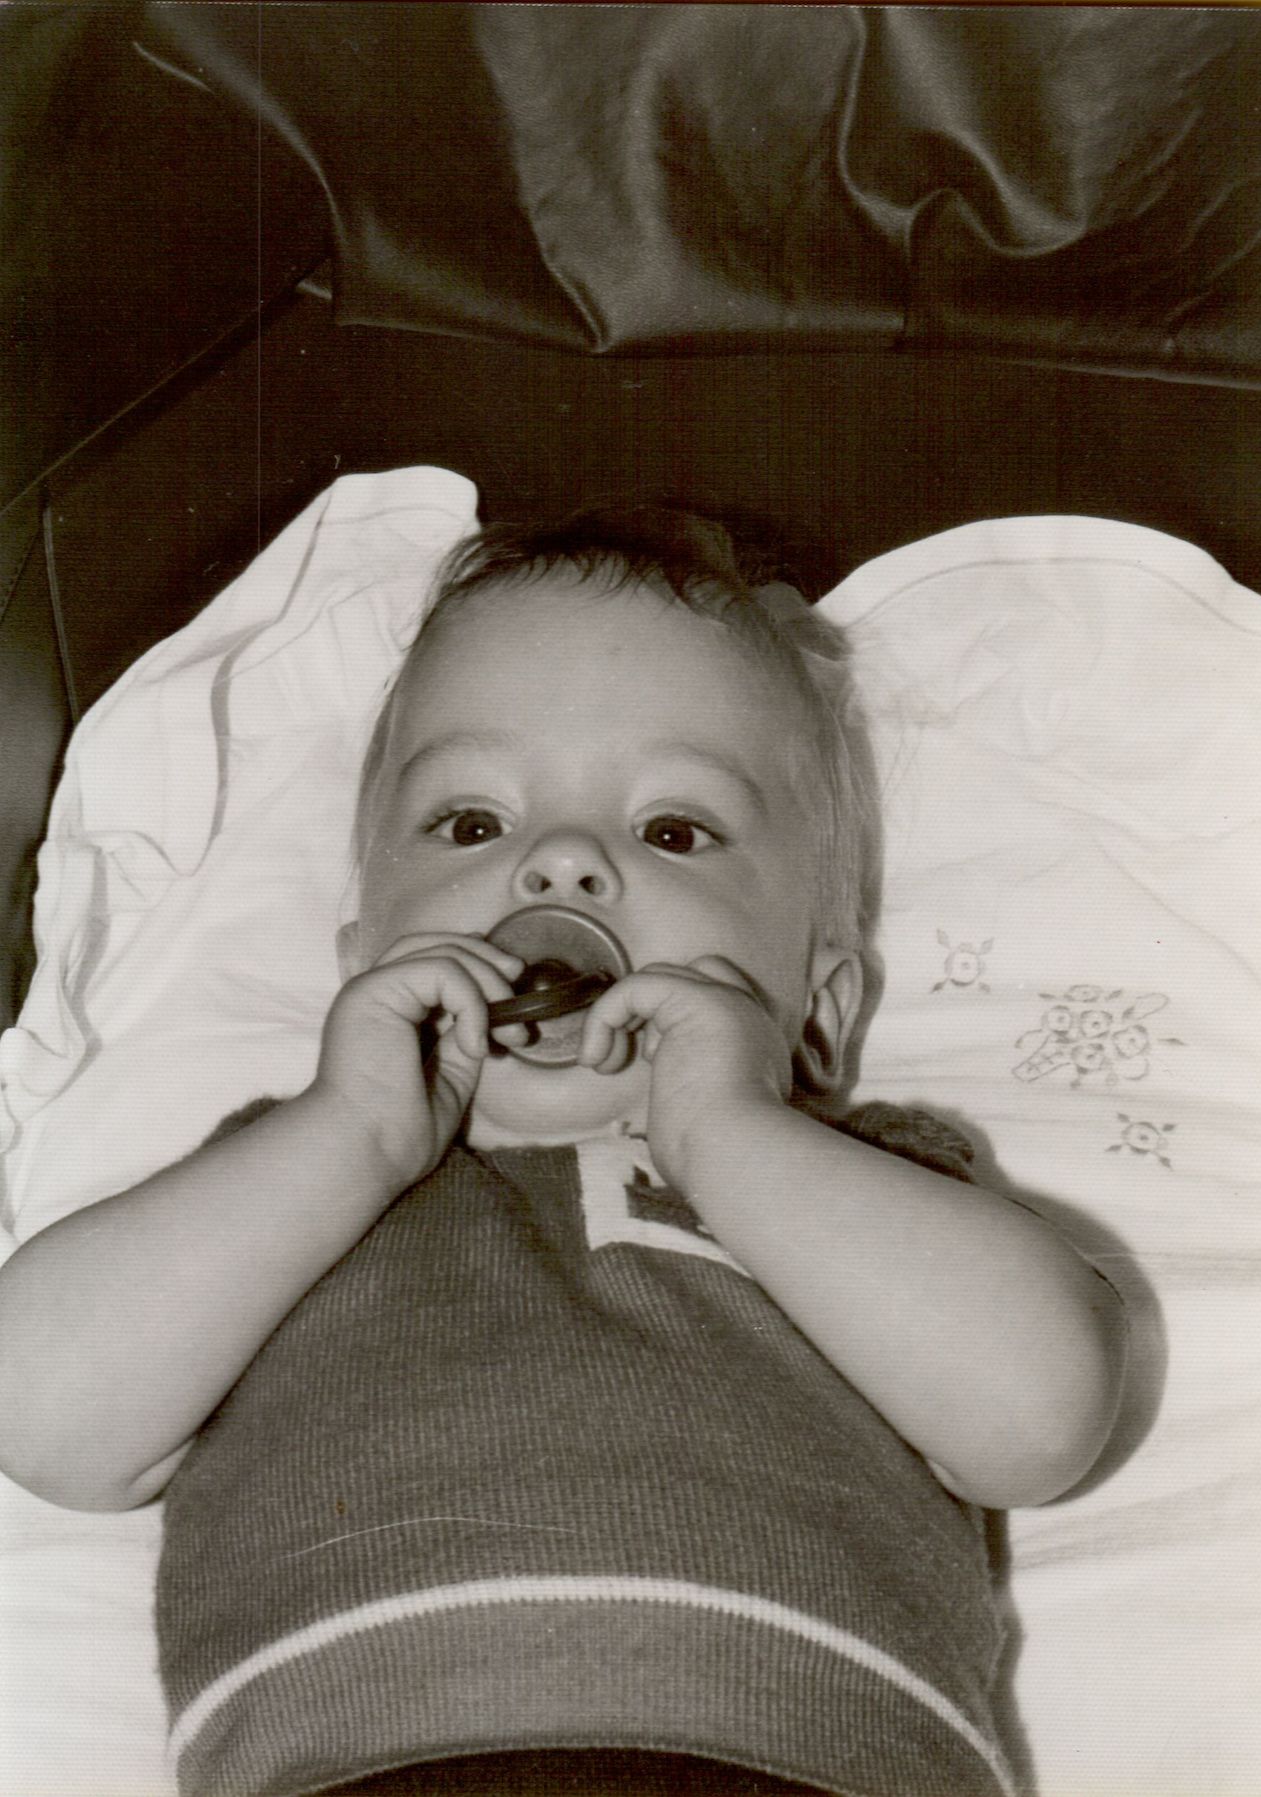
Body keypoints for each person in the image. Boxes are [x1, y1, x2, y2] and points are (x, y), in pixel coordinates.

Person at [0, 508, 1126, 1797]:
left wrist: (730, 1132)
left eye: (676, 831)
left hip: (801, 1756)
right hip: (356, 1760)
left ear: (817, 1013)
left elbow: (1042, 1420)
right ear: (363, 956)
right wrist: (346, 1138)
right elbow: (41, 1413)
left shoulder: (871, 1184)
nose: (563, 861)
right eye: (470, 823)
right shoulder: (295, 1178)